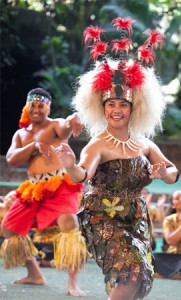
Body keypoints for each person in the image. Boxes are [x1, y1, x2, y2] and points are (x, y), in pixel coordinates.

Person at [53, 17, 179, 300]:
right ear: (103, 108)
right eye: (111, 104)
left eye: (123, 104)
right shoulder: (98, 144)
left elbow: (172, 172)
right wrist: (70, 165)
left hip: (136, 216)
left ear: (133, 109)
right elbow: (82, 175)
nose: (117, 109)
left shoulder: (144, 143)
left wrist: (164, 173)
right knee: (130, 271)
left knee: (141, 278)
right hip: (101, 215)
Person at [0, 88, 87, 297]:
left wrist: (74, 117)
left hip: (60, 185)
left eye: (41, 105)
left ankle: (72, 283)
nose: (37, 109)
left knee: (69, 223)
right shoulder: (21, 134)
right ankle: (35, 274)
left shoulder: (55, 125)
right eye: (33, 105)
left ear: (47, 107)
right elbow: (12, 159)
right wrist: (34, 147)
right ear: (27, 106)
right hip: (33, 189)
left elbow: (66, 126)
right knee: (9, 228)